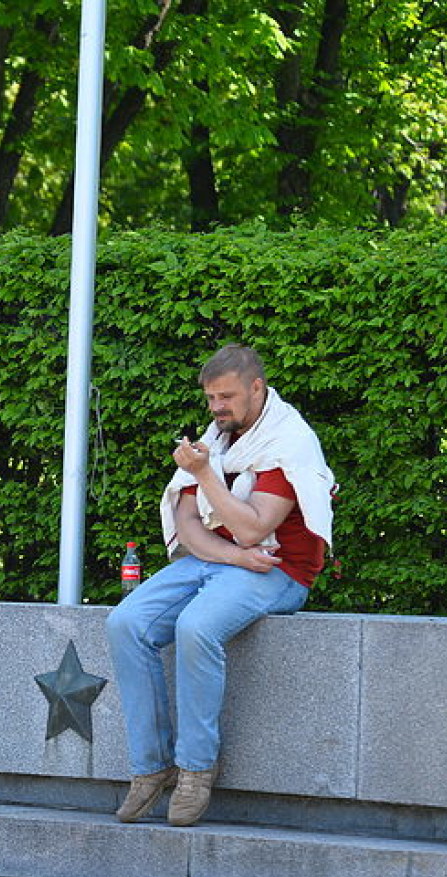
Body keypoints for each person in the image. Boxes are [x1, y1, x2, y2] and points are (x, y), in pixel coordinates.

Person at [105, 343, 334, 827]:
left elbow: (255, 528)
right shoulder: (219, 436)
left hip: (278, 570)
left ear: (257, 388)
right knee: (126, 622)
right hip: (223, 560)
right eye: (210, 398)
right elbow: (189, 525)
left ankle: (195, 768)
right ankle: (151, 768)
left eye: (225, 396)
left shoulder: (286, 442)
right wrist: (229, 553)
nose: (216, 408)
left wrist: (205, 473)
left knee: (197, 627)